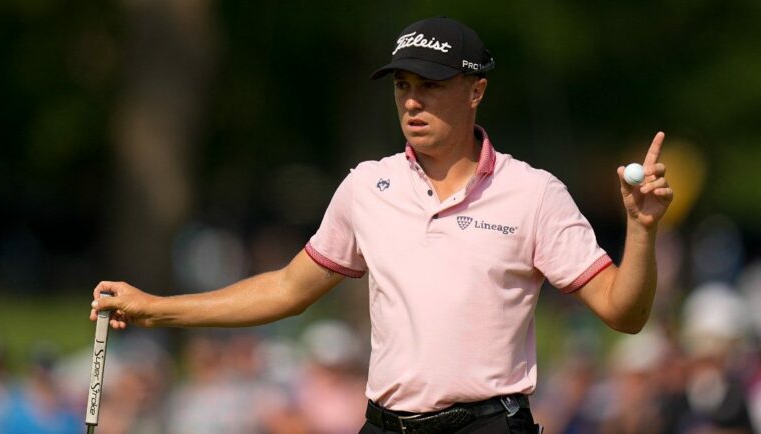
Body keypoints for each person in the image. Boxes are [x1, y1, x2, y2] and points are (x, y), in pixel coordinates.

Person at [90, 16, 673, 434]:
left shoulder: (534, 193)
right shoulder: (367, 186)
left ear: (477, 91)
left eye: (431, 86)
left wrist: (641, 231)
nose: (412, 103)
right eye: (403, 87)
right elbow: (287, 289)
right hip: (384, 424)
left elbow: (625, 313)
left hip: (489, 425)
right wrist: (154, 308)